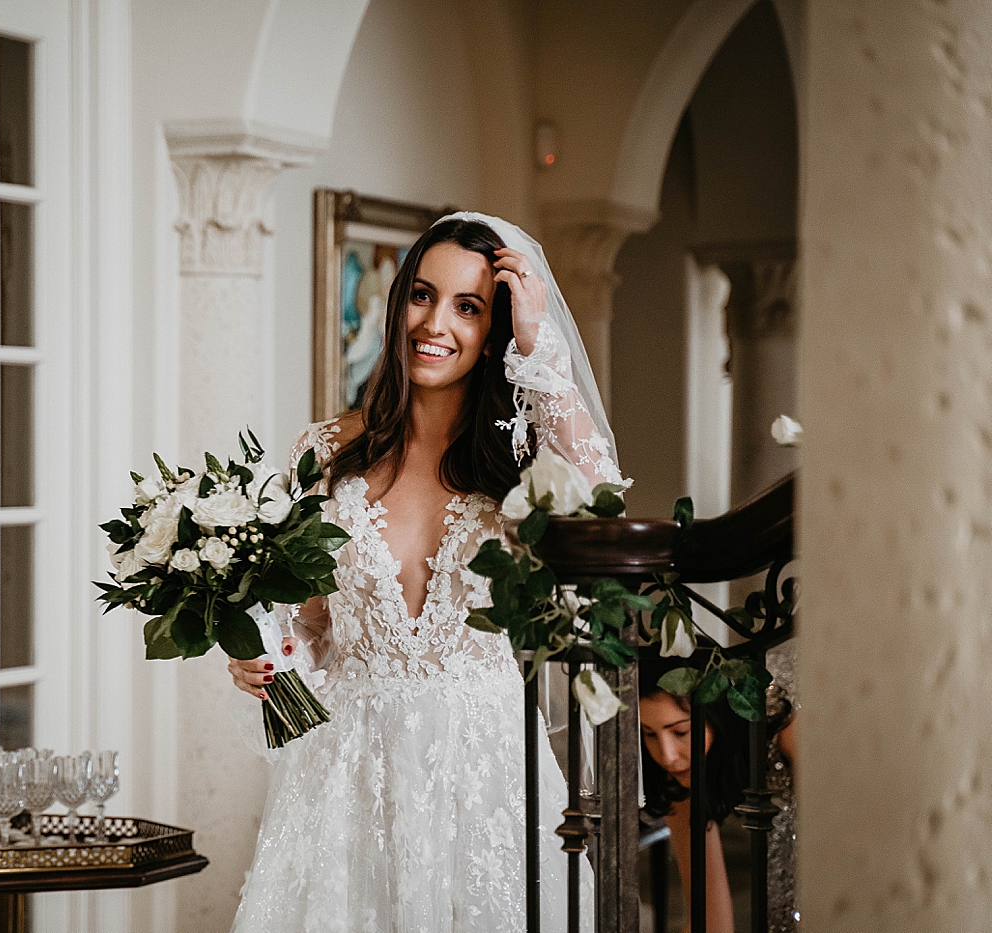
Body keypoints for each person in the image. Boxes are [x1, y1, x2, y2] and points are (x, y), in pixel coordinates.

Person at [227, 212, 625, 932]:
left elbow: (602, 500)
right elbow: (314, 623)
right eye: (420, 294)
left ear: (493, 328)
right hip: (346, 774)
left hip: (482, 769)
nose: (434, 322)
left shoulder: (524, 461)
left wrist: (537, 345)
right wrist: (261, 652)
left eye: (468, 307)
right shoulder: (323, 451)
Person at [638, 647, 798, 933]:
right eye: (649, 733)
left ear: (717, 716)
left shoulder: (790, 736)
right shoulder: (675, 774)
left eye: (680, 732)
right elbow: (712, 923)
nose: (667, 755)